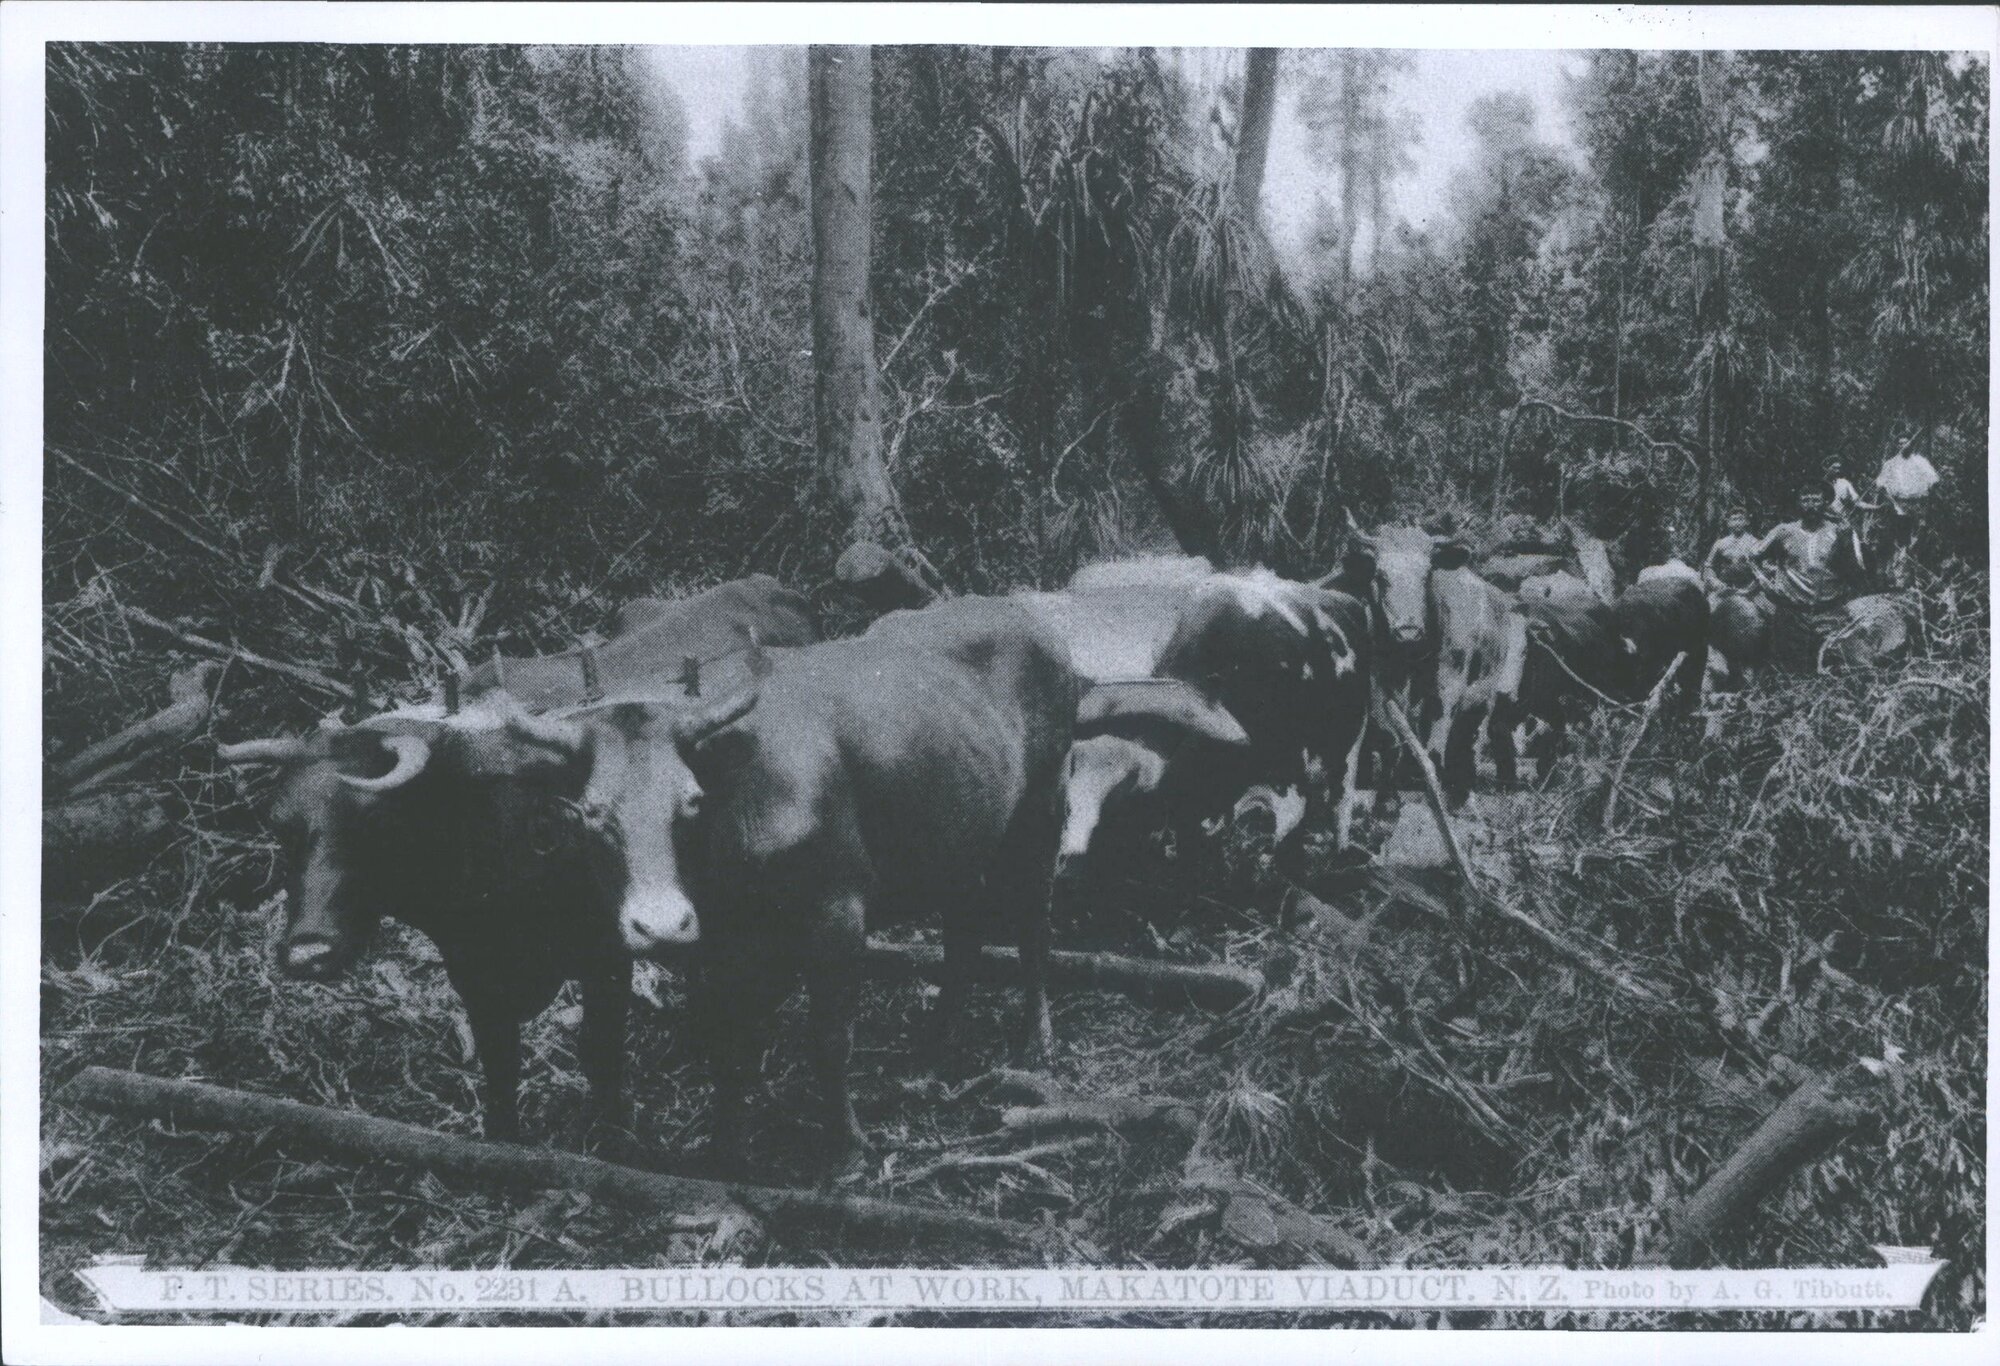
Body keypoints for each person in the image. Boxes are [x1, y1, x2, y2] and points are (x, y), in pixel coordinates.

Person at [1753, 487, 1863, 670]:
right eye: (1805, 500)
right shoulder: (1783, 531)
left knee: (1835, 671)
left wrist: (1846, 544)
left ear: (1825, 503)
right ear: (1798, 503)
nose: (1810, 506)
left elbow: (1855, 574)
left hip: (1830, 615)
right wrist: (1765, 584)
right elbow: (1753, 556)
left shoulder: (1840, 531)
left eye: (1816, 500)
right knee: (1789, 673)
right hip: (1792, 616)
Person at [1701, 507, 1761, 595]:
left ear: (1747, 522)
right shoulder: (1720, 544)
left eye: (1741, 519)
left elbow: (1762, 568)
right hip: (1724, 588)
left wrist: (1753, 586)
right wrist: (1714, 581)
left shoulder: (1755, 543)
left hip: (1749, 589)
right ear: (1728, 523)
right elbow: (1709, 566)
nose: (1737, 523)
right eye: (1734, 520)